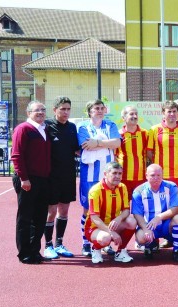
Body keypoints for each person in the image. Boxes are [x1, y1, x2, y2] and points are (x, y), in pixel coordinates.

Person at [77, 99, 121, 256]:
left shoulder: (111, 125)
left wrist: (97, 142)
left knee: (107, 208)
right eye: (97, 108)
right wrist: (105, 144)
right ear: (90, 111)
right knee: (88, 209)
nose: (100, 110)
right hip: (89, 175)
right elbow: (85, 145)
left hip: (108, 174)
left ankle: (106, 242)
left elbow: (116, 143)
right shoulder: (83, 126)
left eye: (102, 108)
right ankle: (85, 242)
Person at [11, 101, 52, 264]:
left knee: (40, 218)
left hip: (43, 180)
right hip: (28, 179)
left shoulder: (44, 129)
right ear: (28, 113)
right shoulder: (23, 129)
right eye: (37, 110)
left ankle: (35, 251)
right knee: (25, 218)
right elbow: (17, 155)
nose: (41, 112)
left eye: (43, 109)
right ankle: (24, 253)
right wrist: (24, 178)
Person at [147, 100, 178, 248]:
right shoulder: (154, 130)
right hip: (161, 176)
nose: (172, 114)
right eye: (169, 111)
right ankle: (156, 239)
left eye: (174, 111)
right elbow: (149, 153)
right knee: (160, 206)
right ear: (163, 113)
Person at [42, 96, 78, 259]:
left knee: (64, 211)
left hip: (68, 175)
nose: (66, 112)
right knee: (51, 212)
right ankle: (48, 245)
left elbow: (77, 149)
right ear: (54, 110)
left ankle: (59, 244)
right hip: (51, 176)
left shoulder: (72, 127)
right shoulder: (46, 126)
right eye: (62, 109)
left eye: (68, 109)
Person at [85, 161, 137, 264]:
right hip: (94, 227)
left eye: (120, 173)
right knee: (105, 237)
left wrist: (119, 218)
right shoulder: (96, 190)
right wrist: (111, 232)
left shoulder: (122, 187)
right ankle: (96, 248)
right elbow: (94, 218)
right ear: (105, 174)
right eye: (114, 173)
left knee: (132, 221)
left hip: (113, 224)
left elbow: (127, 210)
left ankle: (120, 252)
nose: (117, 176)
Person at [131, 164, 178, 262]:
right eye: (152, 175)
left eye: (158, 175)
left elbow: (177, 208)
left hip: (166, 224)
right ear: (146, 175)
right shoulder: (138, 191)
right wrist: (145, 229)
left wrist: (159, 217)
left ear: (162, 175)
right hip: (148, 225)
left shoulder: (171, 187)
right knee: (141, 237)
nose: (156, 178)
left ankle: (176, 250)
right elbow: (137, 214)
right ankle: (149, 246)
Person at [115, 105, 148, 199]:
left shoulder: (145, 133)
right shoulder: (118, 134)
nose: (135, 116)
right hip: (124, 177)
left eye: (136, 114)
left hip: (141, 177)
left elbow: (149, 153)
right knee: (124, 206)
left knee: (141, 205)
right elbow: (114, 156)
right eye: (131, 114)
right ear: (123, 117)